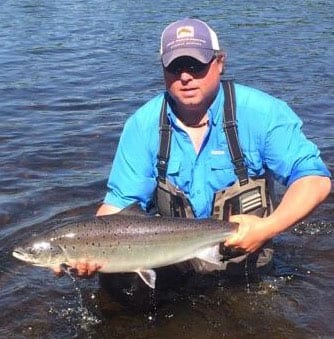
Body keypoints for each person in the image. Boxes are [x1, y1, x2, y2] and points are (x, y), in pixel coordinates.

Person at [62, 18, 331, 277]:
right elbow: (120, 206)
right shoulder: (142, 126)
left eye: (196, 65)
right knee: (117, 283)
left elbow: (314, 180)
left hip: (247, 258)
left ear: (219, 62)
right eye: (175, 67)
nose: (186, 76)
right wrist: (85, 248)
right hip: (175, 264)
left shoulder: (262, 113)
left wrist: (267, 228)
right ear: (162, 69)